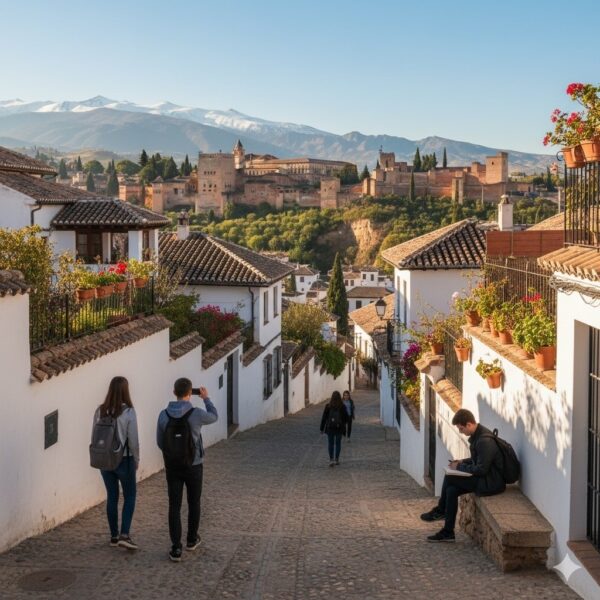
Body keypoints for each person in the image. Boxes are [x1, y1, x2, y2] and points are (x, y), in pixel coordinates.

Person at [420, 408, 506, 543]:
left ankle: (441, 510)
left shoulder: (484, 441)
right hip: (485, 479)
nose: (461, 432)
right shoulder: (478, 436)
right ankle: (448, 532)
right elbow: (477, 460)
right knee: (451, 490)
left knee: (450, 478)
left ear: (469, 424)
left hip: (491, 483)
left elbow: (481, 469)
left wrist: (459, 467)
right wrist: (461, 461)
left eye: (461, 429)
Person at [157, 379, 218, 562]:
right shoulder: (197, 413)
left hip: (173, 466)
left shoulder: (163, 415)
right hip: (194, 464)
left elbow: (160, 442)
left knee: (174, 506)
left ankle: (176, 547)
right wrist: (206, 398)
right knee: (194, 502)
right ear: (190, 393)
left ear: (173, 391)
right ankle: (191, 539)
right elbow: (214, 416)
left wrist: (172, 454)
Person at [93, 376, 140, 550]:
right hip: (124, 459)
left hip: (105, 460)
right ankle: (124, 535)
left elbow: (95, 435)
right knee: (130, 496)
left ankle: (113, 536)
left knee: (112, 497)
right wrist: (136, 458)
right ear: (126, 391)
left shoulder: (100, 410)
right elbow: (133, 440)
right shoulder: (128, 412)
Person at [320, 391, 349, 466]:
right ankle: (337, 459)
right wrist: (344, 428)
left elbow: (324, 418)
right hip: (339, 428)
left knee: (331, 443)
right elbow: (346, 419)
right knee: (338, 443)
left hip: (330, 428)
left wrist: (322, 428)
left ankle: (331, 459)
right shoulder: (342, 406)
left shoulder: (328, 406)